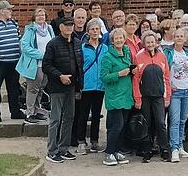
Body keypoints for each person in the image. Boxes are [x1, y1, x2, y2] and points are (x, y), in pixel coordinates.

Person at [42, 16, 83, 163]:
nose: (69, 28)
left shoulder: (77, 43)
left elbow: (79, 66)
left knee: (69, 118)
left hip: (71, 87)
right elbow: (46, 65)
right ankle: (52, 150)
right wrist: (60, 76)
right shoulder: (53, 44)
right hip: (57, 87)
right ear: (60, 28)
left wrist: (79, 87)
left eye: (71, 25)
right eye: (66, 26)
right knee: (55, 119)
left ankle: (63, 148)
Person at [99, 28, 134, 166]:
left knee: (123, 125)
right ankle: (109, 152)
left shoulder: (126, 53)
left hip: (126, 95)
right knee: (116, 125)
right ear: (112, 41)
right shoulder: (108, 57)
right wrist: (119, 74)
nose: (119, 40)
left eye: (121, 38)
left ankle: (117, 150)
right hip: (114, 96)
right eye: (116, 38)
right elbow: (104, 77)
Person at [164, 28, 188, 162]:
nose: (179, 38)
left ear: (185, 39)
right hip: (175, 91)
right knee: (174, 120)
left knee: (183, 120)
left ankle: (179, 146)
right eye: (177, 36)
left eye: (181, 36)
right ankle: (173, 148)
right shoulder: (169, 53)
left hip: (187, 90)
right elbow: (165, 70)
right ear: (173, 38)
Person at [16, 8, 54, 124]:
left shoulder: (49, 29)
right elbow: (25, 47)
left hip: (46, 64)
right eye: (38, 15)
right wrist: (42, 55)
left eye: (42, 15)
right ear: (34, 17)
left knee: (41, 88)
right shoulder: (30, 30)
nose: (41, 17)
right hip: (35, 64)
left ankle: (37, 110)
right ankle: (29, 113)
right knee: (33, 89)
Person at [75, 18, 106, 155]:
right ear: (88, 32)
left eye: (97, 29)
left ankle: (94, 141)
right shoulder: (82, 48)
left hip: (100, 86)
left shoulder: (104, 48)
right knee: (83, 114)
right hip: (86, 85)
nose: (94, 31)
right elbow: (79, 67)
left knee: (96, 114)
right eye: (92, 29)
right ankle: (81, 141)